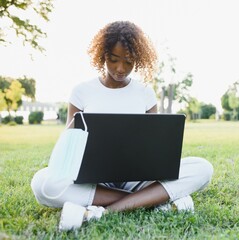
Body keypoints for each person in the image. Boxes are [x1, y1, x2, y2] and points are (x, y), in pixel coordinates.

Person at [31, 21, 214, 231]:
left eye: (128, 62)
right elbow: (69, 147)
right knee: (42, 183)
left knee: (202, 168)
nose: (120, 69)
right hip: (96, 182)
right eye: (113, 59)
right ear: (102, 56)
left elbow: (154, 146)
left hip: (136, 178)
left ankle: (103, 212)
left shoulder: (145, 93)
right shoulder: (81, 92)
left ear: (138, 59)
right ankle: (150, 201)